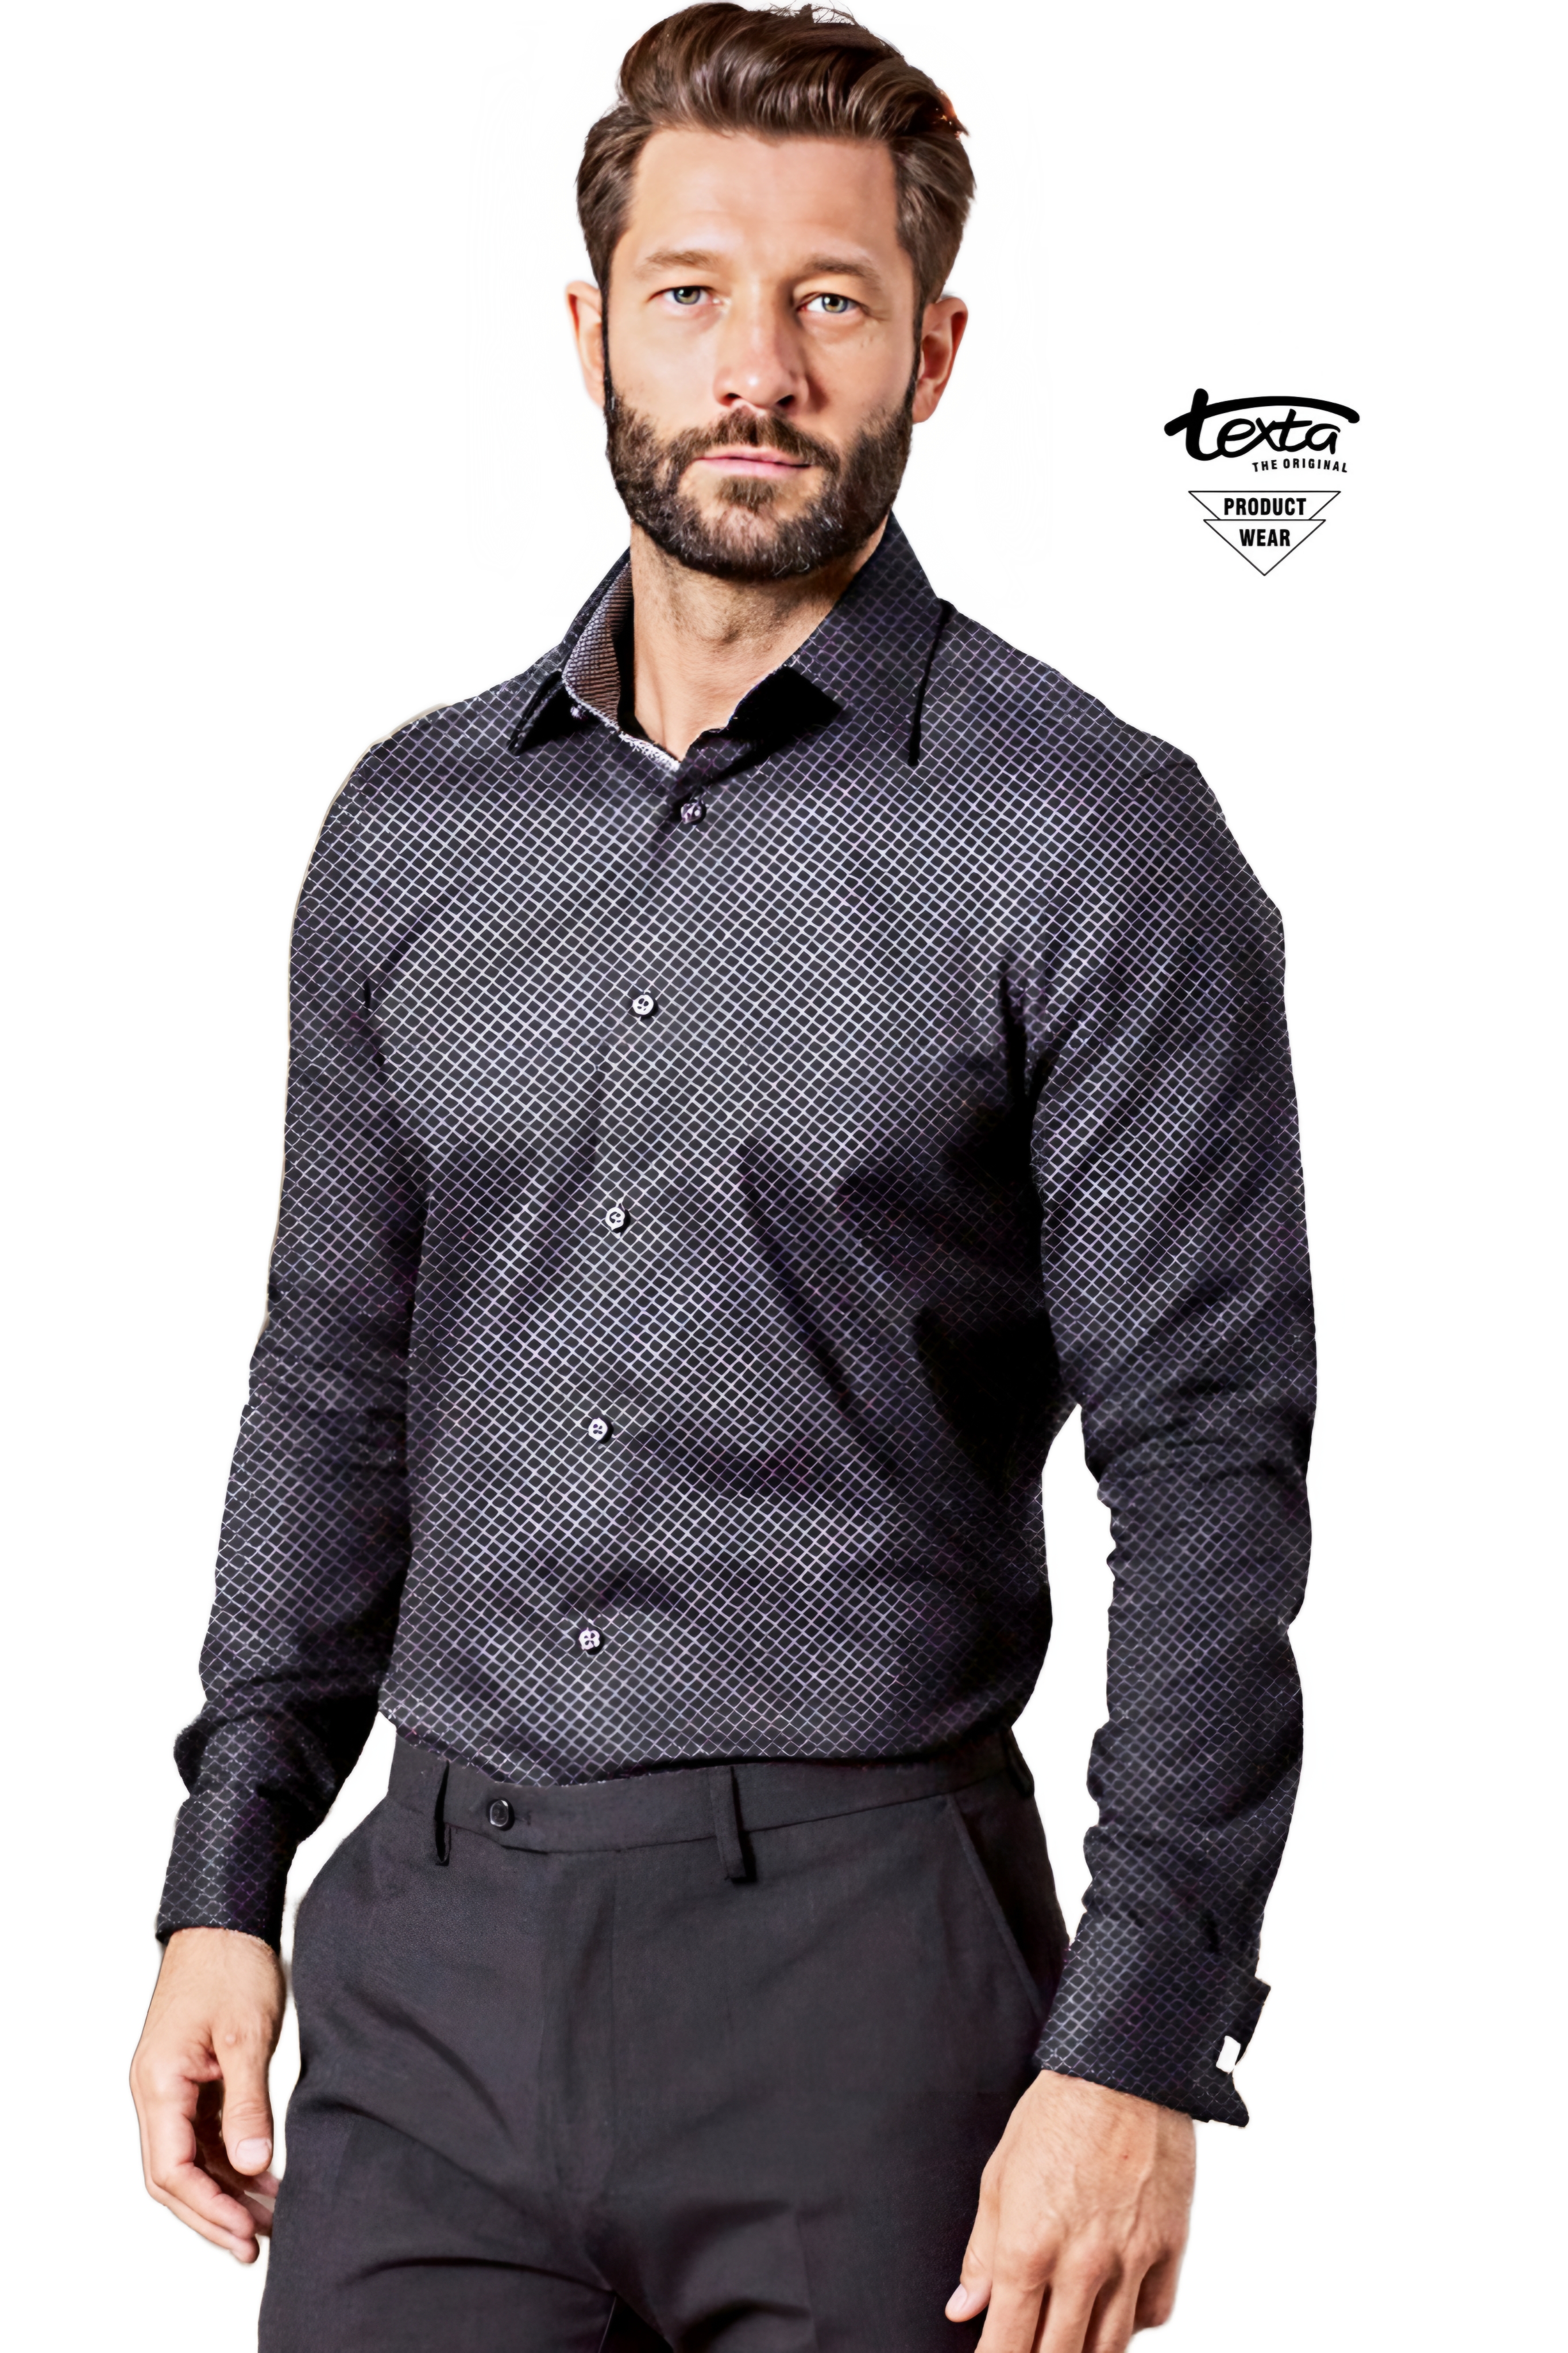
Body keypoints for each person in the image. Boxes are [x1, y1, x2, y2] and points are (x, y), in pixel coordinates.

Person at [130, 9, 1314, 2350]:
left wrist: (1136, 2043)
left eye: (827, 301)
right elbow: (331, 1383)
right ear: (591, 330)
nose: (752, 368)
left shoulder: (1085, 838)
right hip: (432, 1978)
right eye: (689, 294)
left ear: (931, 354)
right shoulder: (411, 831)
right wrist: (221, 1878)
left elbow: (1204, 1468)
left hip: (866, 1982)